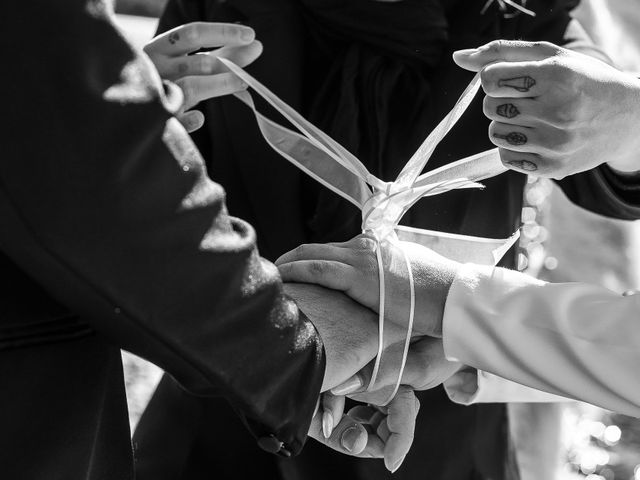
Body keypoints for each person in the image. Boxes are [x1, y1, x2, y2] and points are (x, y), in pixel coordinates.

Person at [133, 1, 640, 480]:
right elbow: (145, 222)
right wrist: (125, 127)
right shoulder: (215, 15)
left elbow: (612, 182)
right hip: (229, 413)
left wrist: (625, 121)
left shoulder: (526, 21)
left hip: (437, 422)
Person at [0, 2, 420, 479]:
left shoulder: (507, 32)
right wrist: (292, 347)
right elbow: (86, 175)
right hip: (220, 428)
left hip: (429, 437)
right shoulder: (218, 13)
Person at [276, 39, 640, 417]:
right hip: (256, 369)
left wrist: (450, 310)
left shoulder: (522, 23)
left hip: (434, 385)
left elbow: (599, 165)